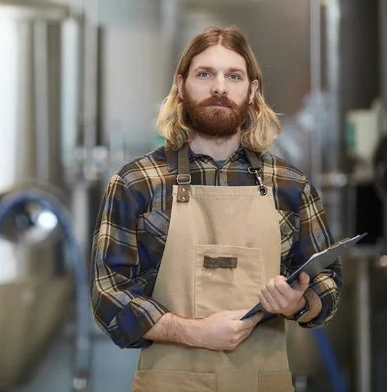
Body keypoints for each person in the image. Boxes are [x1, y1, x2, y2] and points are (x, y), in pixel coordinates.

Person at [90, 26, 342, 392]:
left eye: (233, 76)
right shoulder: (137, 182)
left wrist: (299, 301)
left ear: (252, 90)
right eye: (205, 74)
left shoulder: (290, 184)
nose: (219, 87)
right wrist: (196, 333)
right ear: (181, 85)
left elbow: (328, 281)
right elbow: (108, 296)